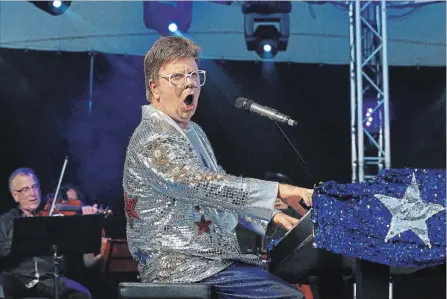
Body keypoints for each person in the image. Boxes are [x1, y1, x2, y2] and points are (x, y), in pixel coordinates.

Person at [122, 36, 313, 299]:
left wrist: (269, 215)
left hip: (209, 263)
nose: (190, 82)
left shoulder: (193, 132)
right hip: (181, 266)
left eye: (193, 75)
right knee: (290, 297)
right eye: (177, 76)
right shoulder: (153, 136)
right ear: (155, 88)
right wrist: (278, 190)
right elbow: (200, 184)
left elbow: (218, 187)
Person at [0, 168, 93, 299]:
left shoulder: (53, 216)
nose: (33, 193)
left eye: (35, 187)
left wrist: (87, 222)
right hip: (18, 280)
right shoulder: (5, 221)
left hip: (49, 280)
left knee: (82, 295)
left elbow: (81, 250)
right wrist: (26, 236)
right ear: (15, 195)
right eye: (25, 189)